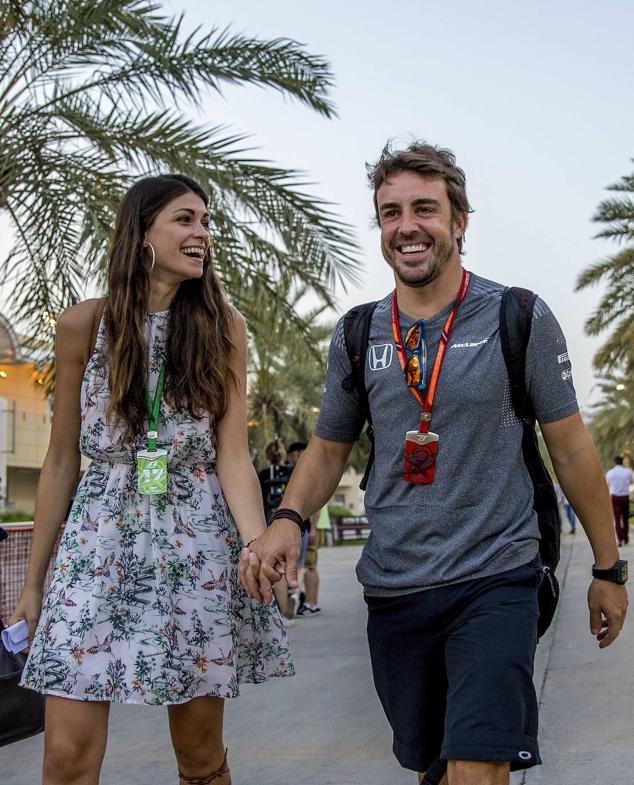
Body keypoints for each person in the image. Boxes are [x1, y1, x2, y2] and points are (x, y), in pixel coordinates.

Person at [239, 142, 629, 785]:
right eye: (390, 213)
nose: (407, 226)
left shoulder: (517, 315)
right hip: (396, 585)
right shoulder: (359, 332)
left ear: (459, 222)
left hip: (498, 574)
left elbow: (571, 446)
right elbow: (329, 446)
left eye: (425, 208)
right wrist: (287, 518)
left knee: (479, 764)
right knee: (435, 766)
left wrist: (609, 568)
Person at [8, 174, 292, 785]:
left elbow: (233, 456)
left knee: (199, 758)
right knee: (65, 758)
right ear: (142, 233)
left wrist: (255, 545)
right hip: (97, 543)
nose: (203, 234)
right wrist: (36, 582)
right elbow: (61, 459)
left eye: (207, 222)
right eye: (186, 220)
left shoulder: (224, 328)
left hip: (193, 548)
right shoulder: (83, 325)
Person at [606, 456, 634, 546]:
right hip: (625, 497)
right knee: (625, 519)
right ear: (622, 462)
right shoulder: (628, 472)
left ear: (614, 462)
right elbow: (631, 481)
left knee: (617, 519)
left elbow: (608, 484)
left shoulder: (610, 473)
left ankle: (619, 539)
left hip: (615, 498)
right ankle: (625, 538)